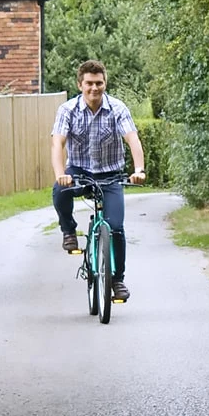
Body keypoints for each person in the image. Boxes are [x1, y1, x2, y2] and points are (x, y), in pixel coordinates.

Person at [51, 59, 146, 302]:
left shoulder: (117, 108)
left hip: (111, 174)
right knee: (59, 191)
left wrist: (139, 169)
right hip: (79, 171)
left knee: (115, 228)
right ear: (80, 85)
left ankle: (117, 280)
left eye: (99, 83)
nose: (95, 88)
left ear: (105, 83)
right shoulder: (68, 110)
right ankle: (69, 231)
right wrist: (61, 173)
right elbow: (58, 143)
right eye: (89, 83)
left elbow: (132, 140)